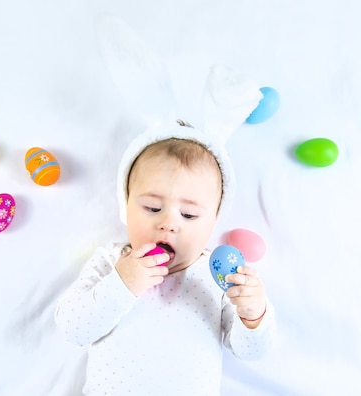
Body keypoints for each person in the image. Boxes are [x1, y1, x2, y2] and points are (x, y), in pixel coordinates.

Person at [54, 122, 276, 395]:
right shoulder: (112, 262)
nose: (169, 223)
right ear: (126, 207)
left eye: (189, 215)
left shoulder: (216, 275)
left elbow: (250, 352)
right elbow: (73, 329)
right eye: (152, 208)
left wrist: (252, 315)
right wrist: (122, 284)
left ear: (213, 222)